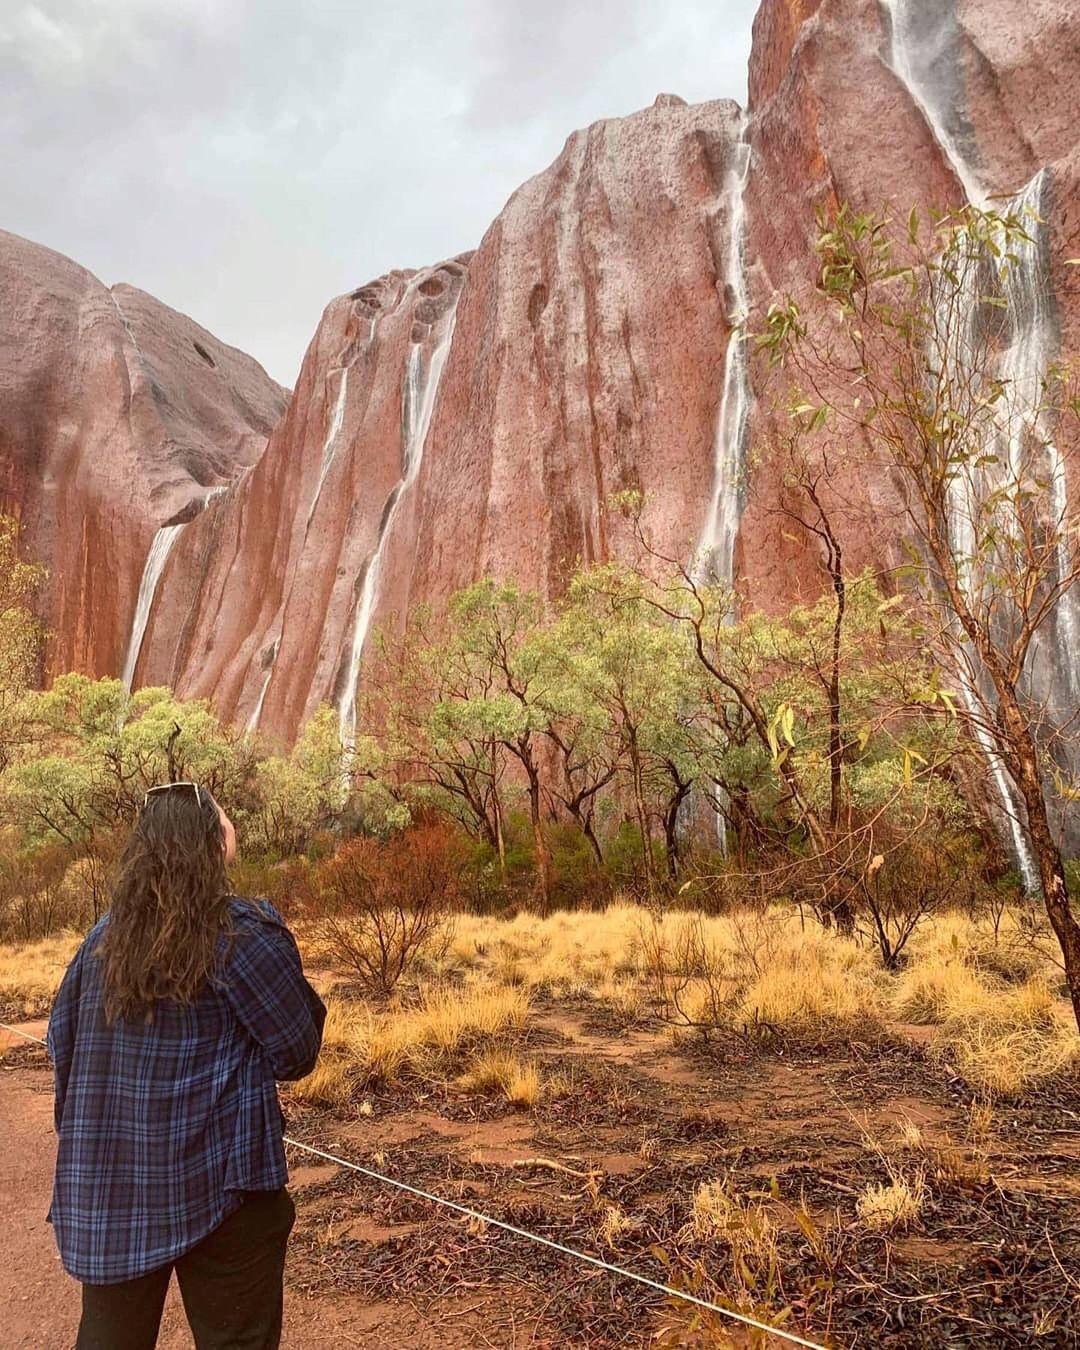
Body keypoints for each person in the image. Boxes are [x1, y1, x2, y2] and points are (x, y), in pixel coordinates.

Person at [47, 780, 327, 1350]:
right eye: (225, 819)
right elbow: (297, 1050)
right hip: (225, 1190)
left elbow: (62, 1046)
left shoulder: (101, 939)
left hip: (110, 1189)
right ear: (214, 840)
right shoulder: (238, 933)